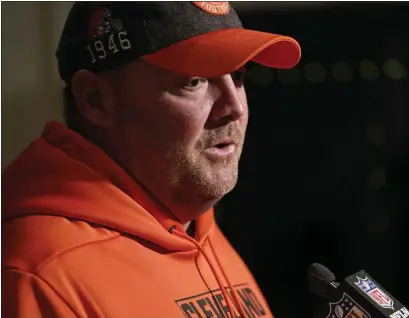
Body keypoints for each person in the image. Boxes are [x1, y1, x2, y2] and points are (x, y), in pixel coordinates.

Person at [2, 2, 300, 317]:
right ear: (96, 99)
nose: (234, 107)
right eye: (194, 81)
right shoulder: (40, 275)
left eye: (238, 76)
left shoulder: (195, 230)